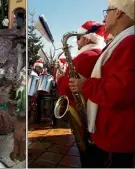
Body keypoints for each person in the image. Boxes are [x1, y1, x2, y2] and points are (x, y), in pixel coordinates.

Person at [69, 0, 135, 167]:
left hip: (116, 137)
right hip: (112, 133)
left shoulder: (130, 43)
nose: (104, 18)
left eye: (107, 12)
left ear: (118, 12)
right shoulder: (120, 42)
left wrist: (86, 86)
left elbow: (121, 91)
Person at [56, 20, 108, 167]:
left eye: (78, 39)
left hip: (84, 117)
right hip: (98, 118)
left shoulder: (84, 57)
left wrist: (60, 78)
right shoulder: (101, 54)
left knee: (87, 159)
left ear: (85, 38)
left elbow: (66, 88)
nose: (77, 43)